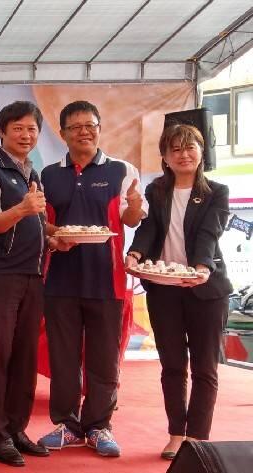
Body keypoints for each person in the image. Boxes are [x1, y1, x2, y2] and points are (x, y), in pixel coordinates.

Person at [37, 100, 147, 458]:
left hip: (107, 279)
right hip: (60, 281)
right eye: (76, 127)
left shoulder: (122, 170)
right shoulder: (49, 175)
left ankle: (99, 426)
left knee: (103, 358)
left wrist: (132, 206)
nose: (85, 131)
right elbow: (44, 223)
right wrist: (55, 236)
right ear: (64, 133)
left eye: (91, 125)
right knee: (64, 358)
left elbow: (132, 219)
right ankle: (67, 425)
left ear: (100, 129)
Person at [126, 124, 231, 460]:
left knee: (205, 367)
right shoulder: (157, 190)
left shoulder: (217, 191)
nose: (183, 154)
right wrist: (136, 254)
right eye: (175, 149)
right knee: (172, 364)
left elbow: (209, 233)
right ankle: (175, 434)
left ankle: (197, 439)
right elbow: (150, 227)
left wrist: (201, 267)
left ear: (201, 152)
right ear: (165, 157)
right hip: (163, 290)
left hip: (206, 289)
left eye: (190, 148)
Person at [0, 102, 51, 467]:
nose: (26, 135)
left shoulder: (32, 172)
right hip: (1, 275)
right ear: (2, 131)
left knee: (24, 359)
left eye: (32, 129)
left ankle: (17, 429)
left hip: (33, 276)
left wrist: (55, 237)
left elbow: (36, 223)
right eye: (18, 128)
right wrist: (22, 208)